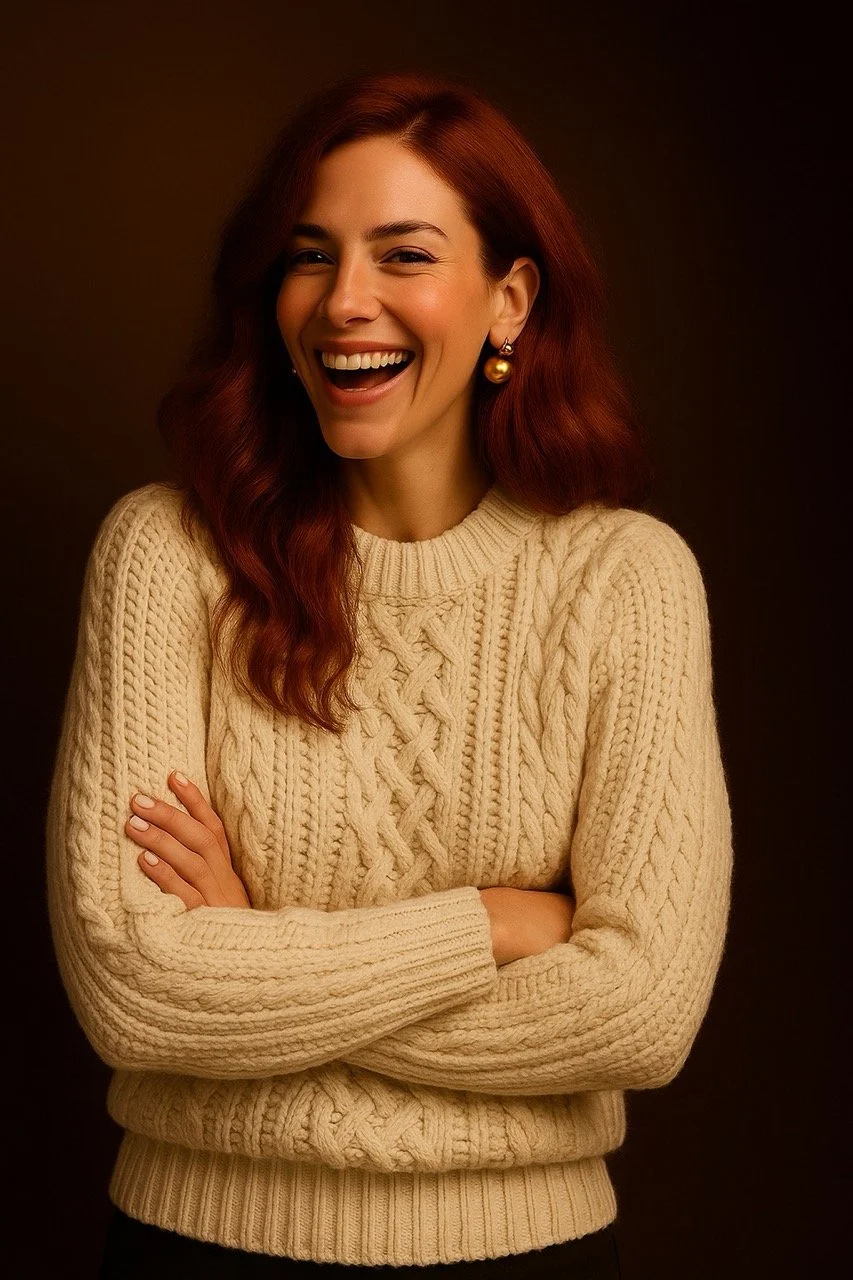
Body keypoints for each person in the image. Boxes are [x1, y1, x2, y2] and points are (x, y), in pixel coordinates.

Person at [45, 68, 733, 1278]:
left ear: (509, 301)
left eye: (403, 254)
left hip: (532, 1252)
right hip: (197, 1243)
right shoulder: (168, 555)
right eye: (311, 256)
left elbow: (640, 1008)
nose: (344, 302)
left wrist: (261, 953)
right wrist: (497, 922)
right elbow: (138, 988)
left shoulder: (626, 581)